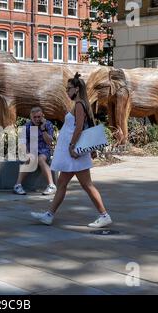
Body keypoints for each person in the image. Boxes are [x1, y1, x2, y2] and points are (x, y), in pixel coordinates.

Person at [30, 72, 112, 228]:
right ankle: (49, 215)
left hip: (74, 153)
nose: (67, 92)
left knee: (86, 185)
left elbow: (79, 127)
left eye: (69, 89)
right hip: (72, 154)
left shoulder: (80, 104)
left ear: (76, 89)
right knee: (62, 183)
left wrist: (72, 146)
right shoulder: (79, 104)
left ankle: (104, 215)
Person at [13, 107, 57, 195]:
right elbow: (22, 142)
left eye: (39, 117)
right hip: (31, 149)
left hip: (44, 149)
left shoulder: (48, 124)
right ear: (31, 117)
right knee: (30, 159)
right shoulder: (27, 126)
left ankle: (51, 185)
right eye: (35, 117)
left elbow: (49, 142)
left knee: (41, 159)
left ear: (42, 116)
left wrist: (43, 129)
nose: (37, 119)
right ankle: (17, 185)